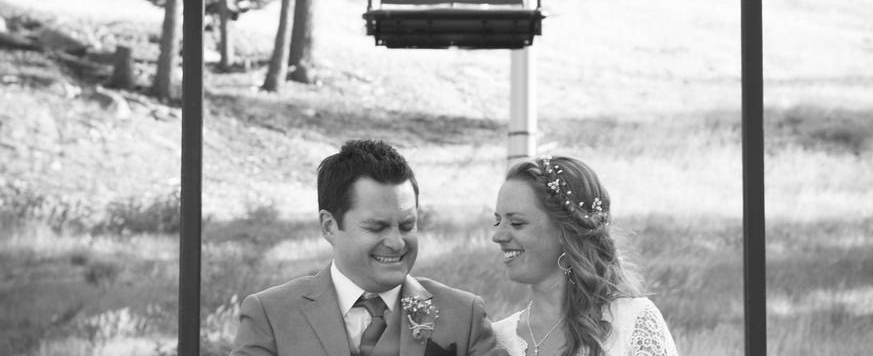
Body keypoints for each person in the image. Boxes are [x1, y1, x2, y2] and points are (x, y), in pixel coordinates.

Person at [231, 139, 504, 356]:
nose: (397, 242)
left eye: (408, 225)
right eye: (377, 227)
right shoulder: (270, 314)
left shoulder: (463, 315)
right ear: (329, 226)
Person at [490, 156, 679, 356]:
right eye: (497, 222)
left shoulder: (633, 322)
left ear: (564, 230)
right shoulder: (497, 339)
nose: (498, 236)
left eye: (517, 223)